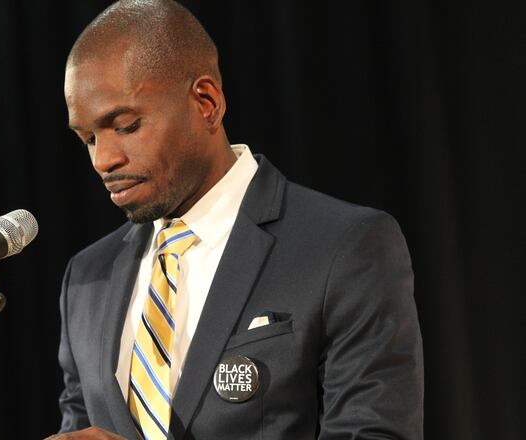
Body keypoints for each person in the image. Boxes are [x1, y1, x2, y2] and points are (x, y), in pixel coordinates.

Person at [50, 1, 423, 439]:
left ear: (206, 102)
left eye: (127, 125)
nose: (103, 159)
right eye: (88, 138)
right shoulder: (87, 279)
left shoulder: (344, 246)